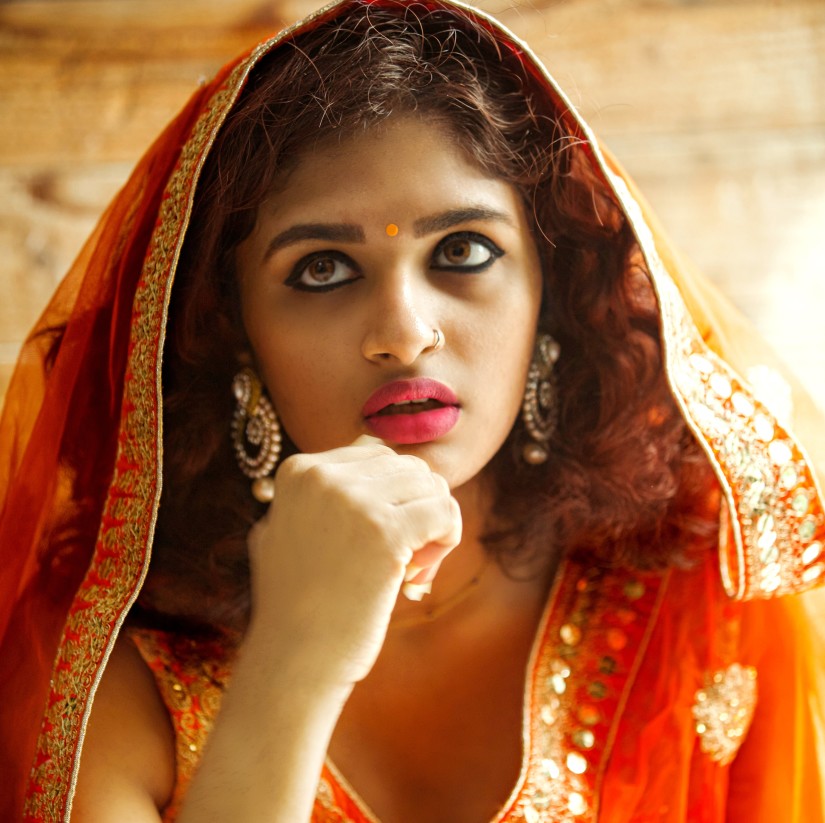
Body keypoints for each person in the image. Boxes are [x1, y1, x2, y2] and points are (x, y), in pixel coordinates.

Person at [1, 0, 824, 820]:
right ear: (232, 330)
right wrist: (293, 659)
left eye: (462, 251)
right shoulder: (109, 663)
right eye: (323, 267)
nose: (403, 332)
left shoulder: (702, 588)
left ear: (552, 293)